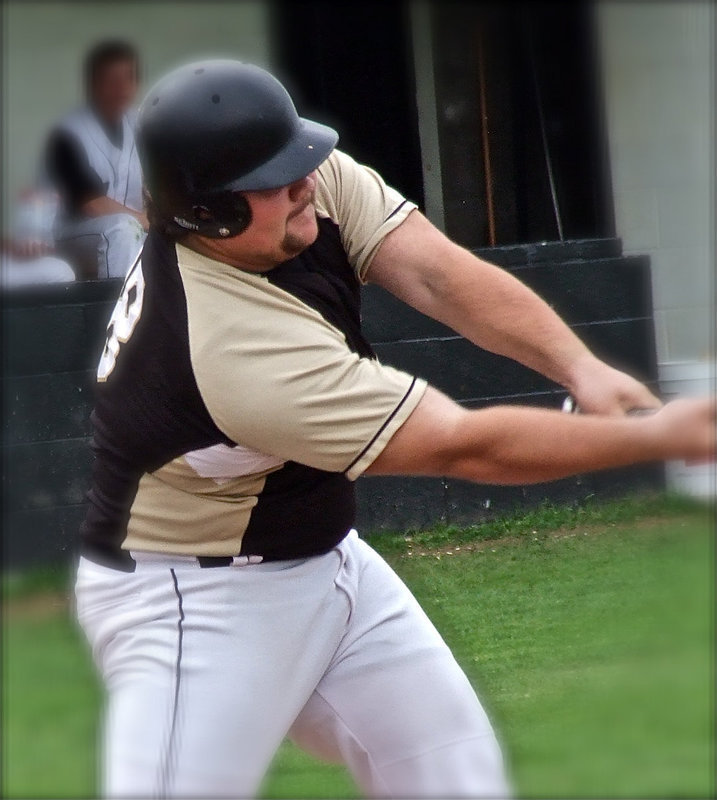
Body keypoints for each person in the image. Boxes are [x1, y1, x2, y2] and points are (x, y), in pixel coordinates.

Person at [74, 60, 715, 799]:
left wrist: (581, 368)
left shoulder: (299, 192)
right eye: (273, 179)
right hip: (190, 602)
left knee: (458, 781)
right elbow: (465, 447)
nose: (304, 180)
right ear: (210, 215)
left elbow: (440, 275)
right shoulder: (227, 343)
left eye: (296, 160)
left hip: (328, 564)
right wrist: (661, 438)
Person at [45, 40, 146, 281]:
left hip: (134, 229)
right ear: (93, 85)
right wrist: (148, 221)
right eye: (112, 80)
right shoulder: (69, 132)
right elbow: (91, 204)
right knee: (122, 229)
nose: (121, 88)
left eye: (128, 79)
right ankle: (119, 304)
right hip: (73, 237)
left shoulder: (142, 126)